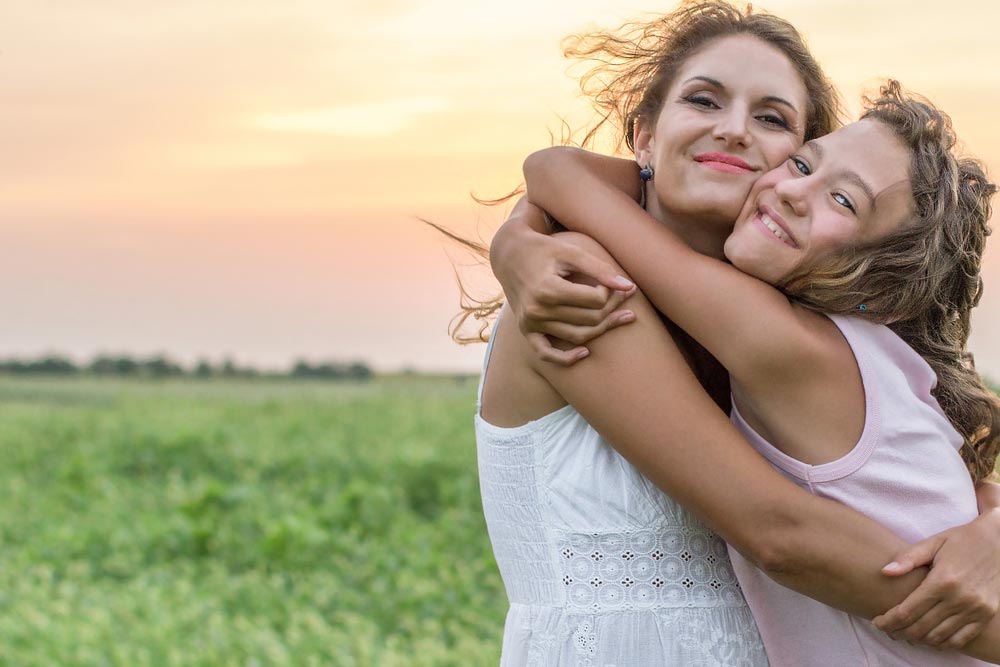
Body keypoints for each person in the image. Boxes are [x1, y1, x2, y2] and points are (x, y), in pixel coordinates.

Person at [464, 2, 1000, 666]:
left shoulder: (788, 341)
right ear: (644, 139)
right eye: (704, 100)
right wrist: (521, 235)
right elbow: (778, 530)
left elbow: (918, 479)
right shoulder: (578, 286)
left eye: (773, 119)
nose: (736, 129)